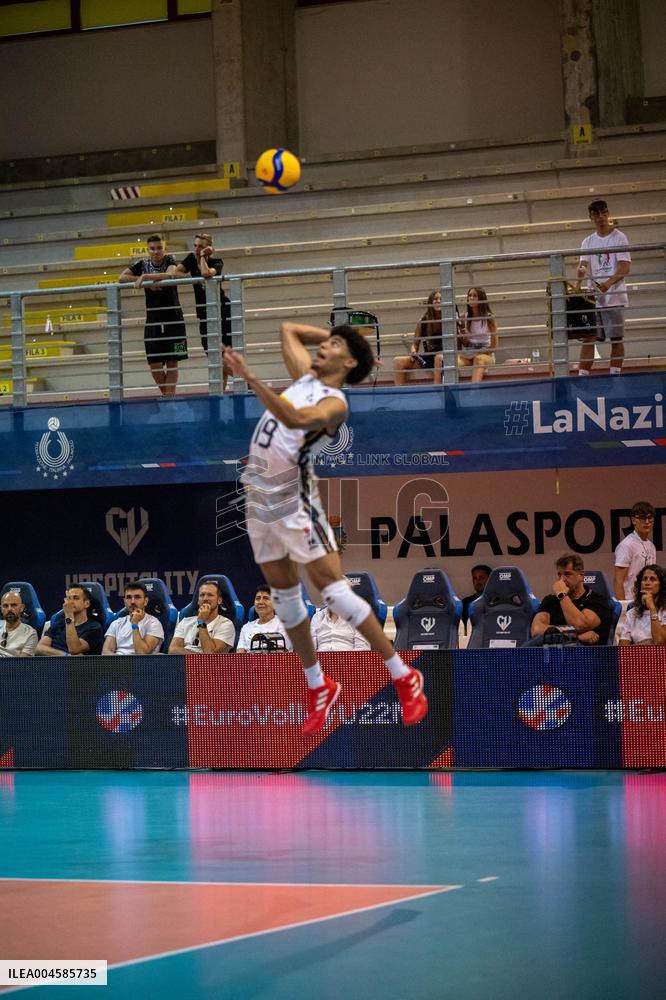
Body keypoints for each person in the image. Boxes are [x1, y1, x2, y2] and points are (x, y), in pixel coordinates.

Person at [223, 319, 428, 736]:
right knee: (284, 598)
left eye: (334, 346)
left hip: (291, 495)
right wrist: (338, 337)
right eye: (326, 342)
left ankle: (402, 674)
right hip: (258, 495)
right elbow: (287, 330)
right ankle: (319, 684)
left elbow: (296, 420)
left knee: (332, 589)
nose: (323, 347)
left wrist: (249, 377)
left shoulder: (335, 402)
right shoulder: (304, 377)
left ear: (349, 362)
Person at [119, 233, 188, 397]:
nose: (156, 252)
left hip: (174, 319)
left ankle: (168, 402)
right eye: (152, 249)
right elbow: (122, 277)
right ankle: (169, 399)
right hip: (153, 320)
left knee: (173, 361)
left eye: (159, 248)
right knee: (154, 363)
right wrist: (143, 281)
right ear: (147, 250)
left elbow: (171, 274)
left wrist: (147, 278)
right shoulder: (142, 264)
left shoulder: (170, 260)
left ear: (164, 249)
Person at [575, 199, 631, 375]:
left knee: (616, 338)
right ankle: (582, 376)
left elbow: (624, 268)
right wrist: (578, 281)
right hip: (594, 298)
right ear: (590, 217)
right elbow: (582, 265)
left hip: (614, 296)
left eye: (604, 213)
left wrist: (608, 283)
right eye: (596, 214)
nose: (601, 217)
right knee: (589, 338)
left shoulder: (619, 238)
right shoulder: (588, 242)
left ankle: (615, 375)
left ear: (608, 214)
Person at [175, 233, 232, 390]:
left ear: (208, 248)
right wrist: (191, 277)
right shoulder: (190, 259)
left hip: (221, 310)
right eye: (195, 245)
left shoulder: (217, 262)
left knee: (223, 356)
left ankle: (226, 389)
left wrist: (202, 258)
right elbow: (175, 273)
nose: (196, 249)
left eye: (200, 246)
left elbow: (206, 274)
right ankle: (245, 379)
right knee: (212, 352)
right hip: (203, 311)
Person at [525, 553, 611, 646]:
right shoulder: (550, 600)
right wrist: (575, 636)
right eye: (559, 574)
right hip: (554, 654)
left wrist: (562, 595)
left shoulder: (597, 601)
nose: (562, 579)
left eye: (567, 574)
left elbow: (579, 625)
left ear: (581, 576)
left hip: (586, 656)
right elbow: (536, 630)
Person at [169, 580, 235, 653]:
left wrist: (201, 622)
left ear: (219, 600)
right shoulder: (185, 622)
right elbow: (173, 650)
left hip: (212, 665)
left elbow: (210, 654)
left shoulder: (226, 624)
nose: (205, 599)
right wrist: (199, 657)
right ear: (198, 601)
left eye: (210, 595)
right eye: (202, 595)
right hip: (183, 663)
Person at [35, 585, 104, 656]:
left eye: (75, 598)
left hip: (76, 666)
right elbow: (39, 648)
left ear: (86, 604)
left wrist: (69, 616)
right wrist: (66, 655)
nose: (70, 602)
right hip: (52, 665)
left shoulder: (94, 628)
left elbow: (74, 649)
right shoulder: (58, 624)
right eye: (69, 598)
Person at [393, 290, 443, 385]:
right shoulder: (424, 321)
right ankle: (400, 397)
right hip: (430, 356)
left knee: (439, 358)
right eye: (435, 299)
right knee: (398, 361)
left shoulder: (450, 318)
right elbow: (415, 344)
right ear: (430, 302)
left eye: (441, 299)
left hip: (444, 357)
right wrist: (413, 352)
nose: (438, 301)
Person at [102, 582, 164, 655]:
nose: (132, 601)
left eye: (137, 597)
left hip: (142, 665)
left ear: (145, 601)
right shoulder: (117, 623)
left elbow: (142, 653)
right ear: (124, 601)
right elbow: (106, 652)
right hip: (118, 664)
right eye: (128, 597)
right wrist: (122, 664)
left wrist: (135, 624)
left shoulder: (154, 624)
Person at [614, 501, 657, 600]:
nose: (646, 522)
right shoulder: (626, 545)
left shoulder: (651, 546)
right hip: (630, 602)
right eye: (642, 518)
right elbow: (618, 580)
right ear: (633, 520)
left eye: (649, 518)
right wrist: (623, 610)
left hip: (646, 602)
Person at [456, 287, 497, 382]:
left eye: (475, 296)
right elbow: (465, 344)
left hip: (486, 353)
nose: (471, 298)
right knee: (452, 363)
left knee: (478, 359)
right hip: (469, 351)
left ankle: (473, 393)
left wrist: (476, 354)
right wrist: (463, 337)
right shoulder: (464, 317)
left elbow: (494, 347)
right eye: (469, 295)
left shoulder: (489, 317)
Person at [618, 564, 666, 645]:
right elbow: (623, 650)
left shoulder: (664, 611)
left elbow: (659, 642)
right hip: (637, 657)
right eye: (644, 579)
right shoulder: (632, 613)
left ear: (661, 585)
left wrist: (652, 608)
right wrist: (647, 643)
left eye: (652, 579)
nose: (647, 582)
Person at [237, 585, 292, 653]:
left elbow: (279, 653)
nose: (260, 602)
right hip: (250, 663)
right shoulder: (246, 627)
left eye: (266, 598)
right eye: (258, 598)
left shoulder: (284, 625)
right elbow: (240, 655)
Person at [0, 590, 38, 658]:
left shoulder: (30, 634)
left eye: (14, 605)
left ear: (22, 608)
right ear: (1, 609)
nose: (9, 609)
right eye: (5, 606)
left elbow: (21, 665)